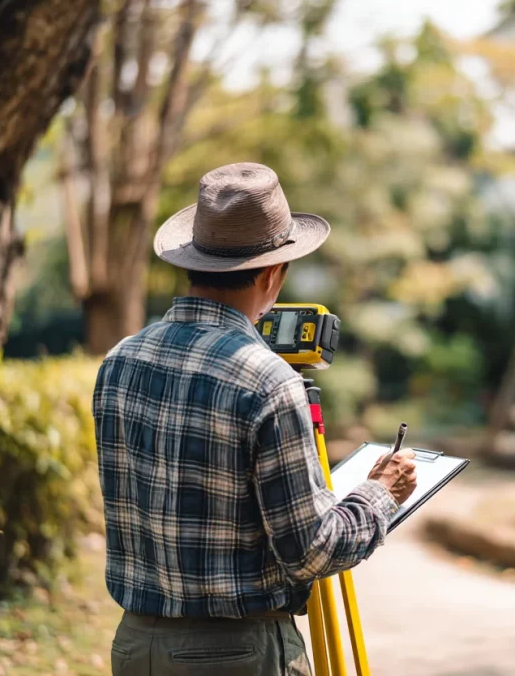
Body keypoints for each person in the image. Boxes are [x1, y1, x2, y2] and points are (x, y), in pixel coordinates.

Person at [93, 163, 418, 675]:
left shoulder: (119, 360)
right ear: (273, 273)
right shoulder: (268, 381)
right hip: (237, 655)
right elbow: (311, 552)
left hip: (136, 648)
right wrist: (380, 493)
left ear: (193, 263)